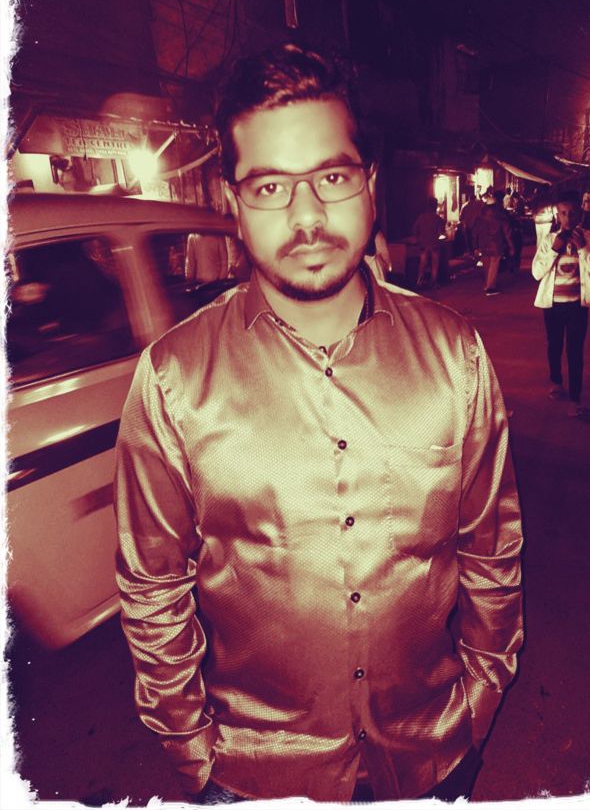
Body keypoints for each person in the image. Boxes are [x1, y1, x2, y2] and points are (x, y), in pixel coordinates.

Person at [114, 43, 524, 804]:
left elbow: (491, 550)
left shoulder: (454, 356)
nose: (306, 217)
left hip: (432, 758)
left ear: (369, 184)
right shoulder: (173, 379)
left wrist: (478, 703)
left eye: (331, 177)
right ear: (234, 203)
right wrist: (195, 754)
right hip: (254, 774)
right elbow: (152, 584)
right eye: (271, 186)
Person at [532, 191, 590, 417]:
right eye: (563, 213)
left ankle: (575, 399)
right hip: (553, 305)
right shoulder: (549, 240)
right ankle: (556, 381)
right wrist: (554, 249)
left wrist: (583, 248)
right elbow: (536, 272)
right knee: (554, 346)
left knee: (575, 351)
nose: (568, 218)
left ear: (579, 213)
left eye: (572, 213)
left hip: (577, 306)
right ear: (557, 215)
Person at [472, 191, 515, 295]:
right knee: (494, 266)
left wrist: (475, 246)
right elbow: (507, 232)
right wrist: (511, 246)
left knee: (486, 265)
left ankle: (488, 284)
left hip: (483, 244)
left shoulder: (479, 217)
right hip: (496, 244)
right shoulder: (500, 216)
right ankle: (490, 287)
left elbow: (474, 233)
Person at [412, 195, 445, 287]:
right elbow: (442, 232)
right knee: (435, 264)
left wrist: (418, 238)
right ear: (435, 206)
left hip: (423, 244)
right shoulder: (437, 218)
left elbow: (414, 229)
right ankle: (433, 282)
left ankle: (419, 281)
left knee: (422, 264)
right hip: (434, 244)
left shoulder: (421, 217)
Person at [458, 191, 484, 256]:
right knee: (477, 241)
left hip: (468, 226)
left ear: (469, 198)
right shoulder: (479, 205)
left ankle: (471, 254)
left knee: (469, 241)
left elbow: (460, 218)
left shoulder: (465, 206)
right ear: (475, 198)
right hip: (478, 226)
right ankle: (478, 254)